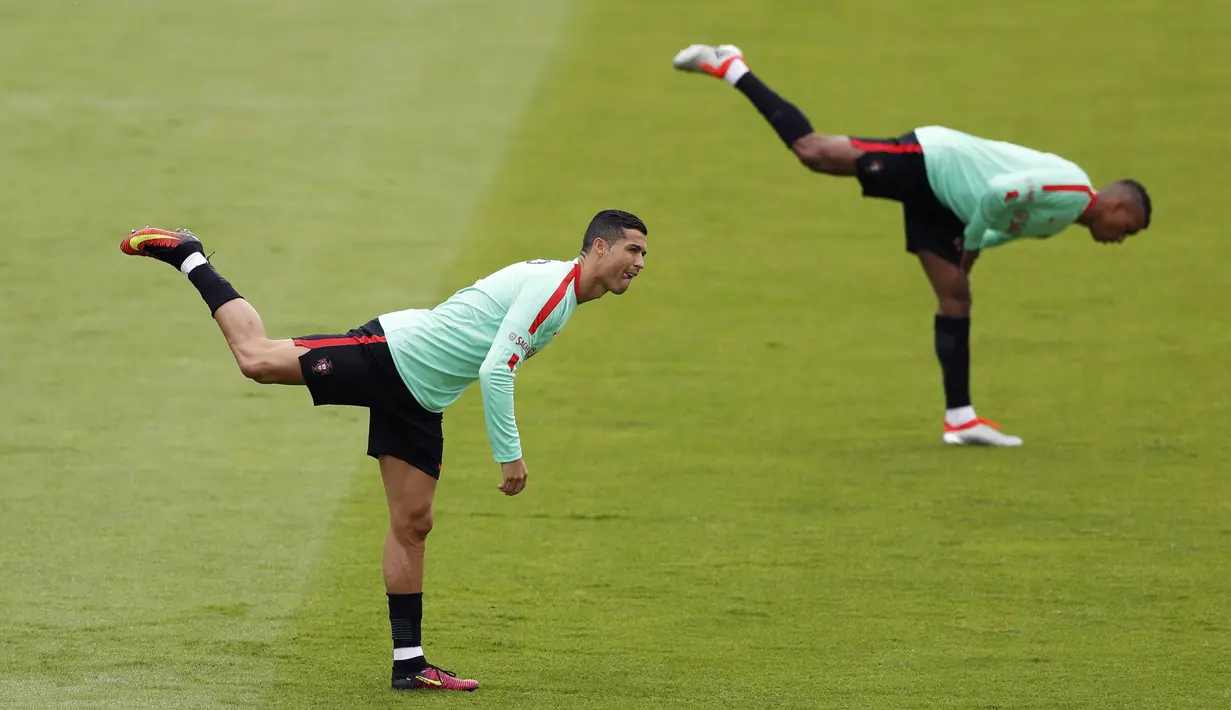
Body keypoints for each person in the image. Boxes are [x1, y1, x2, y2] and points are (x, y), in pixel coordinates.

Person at [119, 209, 649, 690]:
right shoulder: (552, 288)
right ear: (599, 248)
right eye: (633, 250)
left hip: (423, 398)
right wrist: (509, 454)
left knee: (414, 522)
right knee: (256, 359)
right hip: (394, 354)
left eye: (644, 253)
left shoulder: (565, 296)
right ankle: (188, 254)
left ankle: (410, 664)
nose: (640, 262)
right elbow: (495, 370)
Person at [672, 44, 1151, 447]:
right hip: (933, 163)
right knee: (813, 153)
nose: (1119, 239)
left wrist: (975, 246)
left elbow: (1002, 226)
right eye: (1127, 230)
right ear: (1119, 209)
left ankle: (960, 418)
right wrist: (978, 237)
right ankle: (732, 66)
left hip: (949, 207)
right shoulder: (1072, 190)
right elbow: (1000, 195)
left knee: (956, 297)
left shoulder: (1061, 221)